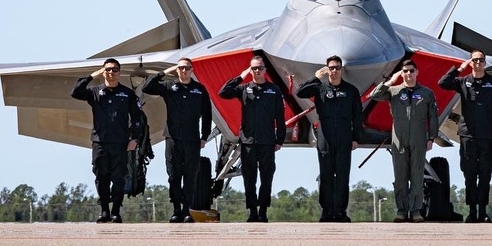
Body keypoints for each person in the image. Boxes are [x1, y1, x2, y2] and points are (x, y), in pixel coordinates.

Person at [71, 58, 145, 223]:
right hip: (100, 142)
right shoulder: (95, 92)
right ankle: (104, 210)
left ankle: (116, 211)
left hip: (121, 143)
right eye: (108, 70)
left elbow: (137, 118)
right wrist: (92, 76)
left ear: (119, 73)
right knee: (101, 176)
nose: (111, 73)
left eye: (115, 70)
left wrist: (135, 139)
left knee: (119, 178)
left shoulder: (127, 94)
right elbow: (76, 92)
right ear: (103, 72)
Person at [439, 49, 492, 223]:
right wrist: (459, 68)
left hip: (487, 135)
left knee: (485, 173)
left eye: (481, 60)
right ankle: (471, 211)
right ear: (471, 62)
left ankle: (482, 211)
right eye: (475, 60)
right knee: (469, 173)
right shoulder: (463, 82)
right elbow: (442, 83)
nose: (478, 63)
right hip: (467, 134)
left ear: (485, 63)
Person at [141, 58, 212, 223]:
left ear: (191, 70)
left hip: (192, 139)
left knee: (190, 175)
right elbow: (147, 86)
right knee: (173, 175)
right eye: (180, 68)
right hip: (172, 137)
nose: (184, 71)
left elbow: (207, 114)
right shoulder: (169, 87)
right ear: (177, 70)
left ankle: (187, 210)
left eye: (187, 68)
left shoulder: (199, 90)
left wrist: (204, 136)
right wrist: (164, 72)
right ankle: (176, 210)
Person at [295, 55, 363, 222]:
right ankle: (326, 211)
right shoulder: (320, 88)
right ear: (327, 70)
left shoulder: (350, 90)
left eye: (337, 67)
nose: (334, 71)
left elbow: (358, 116)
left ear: (341, 69)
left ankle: (340, 211)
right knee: (326, 174)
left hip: (344, 135)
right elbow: (300, 93)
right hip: (325, 135)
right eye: (331, 68)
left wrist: (356, 138)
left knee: (342, 174)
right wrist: (316, 78)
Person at [219, 55, 286, 222]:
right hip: (248, 141)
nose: (257, 71)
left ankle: (263, 211)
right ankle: (252, 212)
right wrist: (241, 76)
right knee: (249, 178)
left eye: (259, 68)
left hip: (267, 141)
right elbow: (223, 92)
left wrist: (280, 140)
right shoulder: (243, 89)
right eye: (254, 68)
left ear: (265, 70)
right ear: (251, 70)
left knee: (266, 177)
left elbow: (280, 117)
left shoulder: (274, 90)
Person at [371, 59, 438, 222]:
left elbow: (433, 116)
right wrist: (391, 81)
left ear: (417, 73)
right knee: (400, 176)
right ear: (402, 73)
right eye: (405, 71)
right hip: (398, 138)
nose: (408, 74)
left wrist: (431, 138)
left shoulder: (426, 93)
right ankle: (401, 210)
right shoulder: (393, 91)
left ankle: (415, 211)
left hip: (419, 137)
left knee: (417, 175)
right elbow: (375, 95)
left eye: (411, 71)